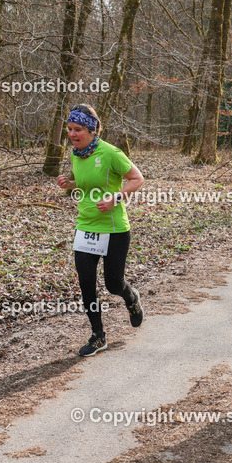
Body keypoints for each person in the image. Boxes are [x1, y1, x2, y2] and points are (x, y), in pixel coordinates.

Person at [56, 104, 145, 356]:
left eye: (78, 129)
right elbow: (81, 184)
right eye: (70, 129)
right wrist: (68, 182)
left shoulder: (110, 153)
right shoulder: (76, 153)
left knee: (113, 284)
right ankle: (98, 336)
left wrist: (115, 199)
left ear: (92, 130)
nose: (73, 134)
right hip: (85, 226)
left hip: (114, 229)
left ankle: (132, 298)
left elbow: (137, 178)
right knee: (86, 283)